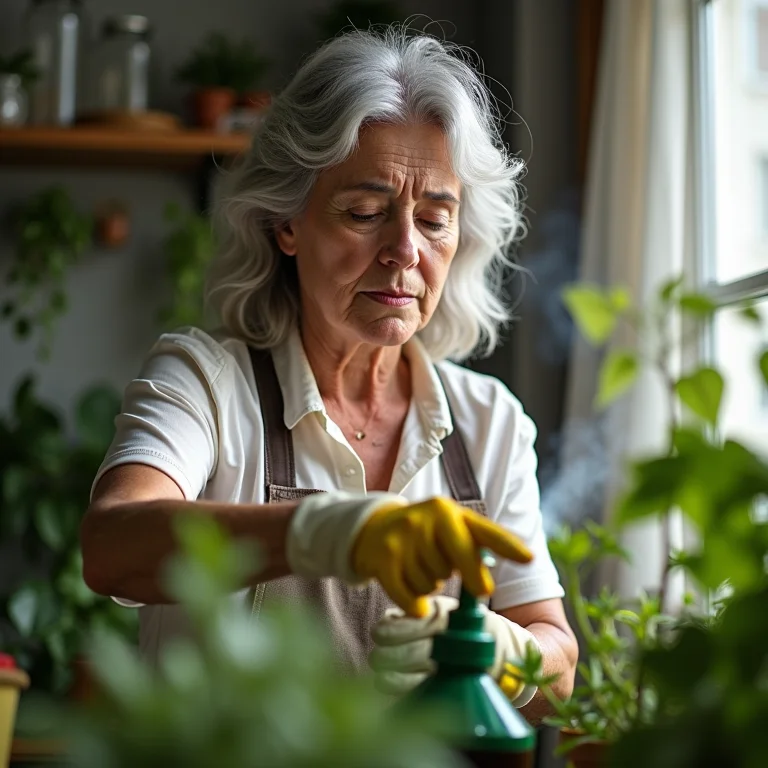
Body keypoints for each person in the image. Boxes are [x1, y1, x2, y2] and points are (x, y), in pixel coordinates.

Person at [81, 26, 577, 719]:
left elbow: (556, 664)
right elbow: (111, 545)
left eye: (436, 219)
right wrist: (325, 532)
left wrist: (499, 649)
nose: (404, 251)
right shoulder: (207, 382)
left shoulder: (485, 421)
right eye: (366, 212)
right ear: (287, 222)